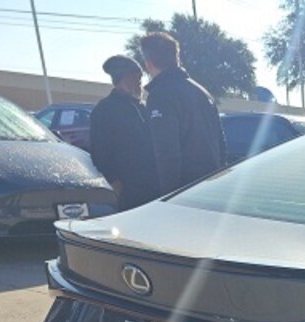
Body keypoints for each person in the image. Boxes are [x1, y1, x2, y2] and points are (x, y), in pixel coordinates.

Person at [139, 31, 226, 195]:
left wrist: (168, 197)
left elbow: (167, 154)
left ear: (148, 64)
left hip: (184, 195)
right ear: (176, 57)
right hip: (211, 188)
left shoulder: (161, 95)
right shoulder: (202, 92)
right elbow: (221, 144)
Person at [89, 55, 160, 210]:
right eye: (134, 77)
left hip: (152, 188)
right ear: (120, 80)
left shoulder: (144, 108)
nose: (139, 81)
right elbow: (100, 152)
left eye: (140, 77)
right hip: (127, 191)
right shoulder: (105, 110)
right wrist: (114, 181)